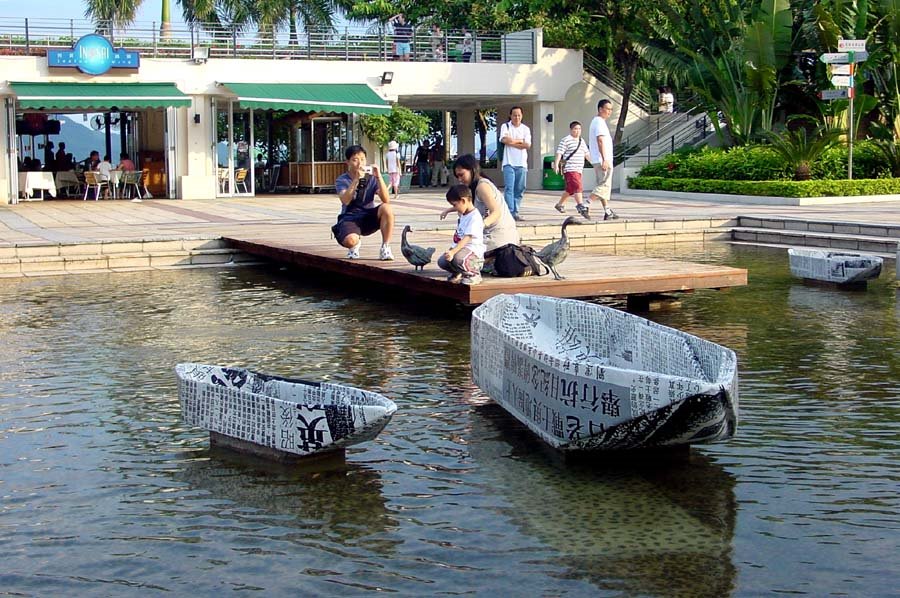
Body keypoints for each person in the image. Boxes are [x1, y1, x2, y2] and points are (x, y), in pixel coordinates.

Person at [441, 154, 519, 253]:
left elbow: (496, 212)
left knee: (457, 258)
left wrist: (480, 225)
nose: (460, 179)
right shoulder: (474, 186)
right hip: (490, 235)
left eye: (461, 175)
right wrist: (449, 210)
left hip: (499, 238)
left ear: (472, 170)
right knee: (450, 258)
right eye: (457, 177)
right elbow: (466, 205)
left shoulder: (483, 186)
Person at [333, 145, 395, 260]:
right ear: (348, 162)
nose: (359, 163)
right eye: (355, 160)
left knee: (387, 208)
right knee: (350, 241)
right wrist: (356, 179)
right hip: (350, 217)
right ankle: (355, 245)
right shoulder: (342, 180)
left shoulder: (371, 178)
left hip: (368, 216)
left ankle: (385, 247)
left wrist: (379, 177)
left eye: (362, 159)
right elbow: (345, 200)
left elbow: (386, 199)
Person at [437, 184, 484, 285]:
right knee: (442, 261)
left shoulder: (474, 217)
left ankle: (474, 274)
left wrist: (453, 251)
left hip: (472, 251)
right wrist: (447, 210)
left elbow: (467, 238)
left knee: (458, 258)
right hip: (460, 249)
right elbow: (458, 206)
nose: (455, 208)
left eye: (454, 205)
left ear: (463, 201)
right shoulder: (464, 211)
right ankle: (458, 272)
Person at [551, 121, 591, 218]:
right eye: (575, 129)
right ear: (571, 130)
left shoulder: (582, 141)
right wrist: (556, 164)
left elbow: (587, 154)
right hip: (570, 169)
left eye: (579, 129)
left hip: (579, 169)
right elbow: (559, 152)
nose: (577, 131)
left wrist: (595, 164)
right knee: (578, 186)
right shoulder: (566, 140)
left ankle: (560, 204)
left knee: (571, 189)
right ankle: (580, 205)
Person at [588, 99, 618, 220]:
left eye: (611, 109)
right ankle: (586, 204)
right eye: (607, 109)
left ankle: (607, 211)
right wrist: (605, 159)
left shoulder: (597, 122)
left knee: (602, 186)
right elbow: (600, 140)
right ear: (600, 109)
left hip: (599, 159)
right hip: (602, 160)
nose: (609, 112)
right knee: (604, 185)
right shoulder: (599, 122)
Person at [499, 106, 531, 221]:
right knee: (509, 188)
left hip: (521, 163)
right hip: (508, 163)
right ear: (510, 116)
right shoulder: (505, 126)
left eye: (519, 115)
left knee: (520, 188)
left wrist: (512, 142)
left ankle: (516, 211)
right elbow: (504, 140)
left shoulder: (525, 129)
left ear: (522, 116)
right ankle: (510, 212)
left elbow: (527, 145)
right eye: (514, 115)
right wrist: (519, 141)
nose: (516, 117)